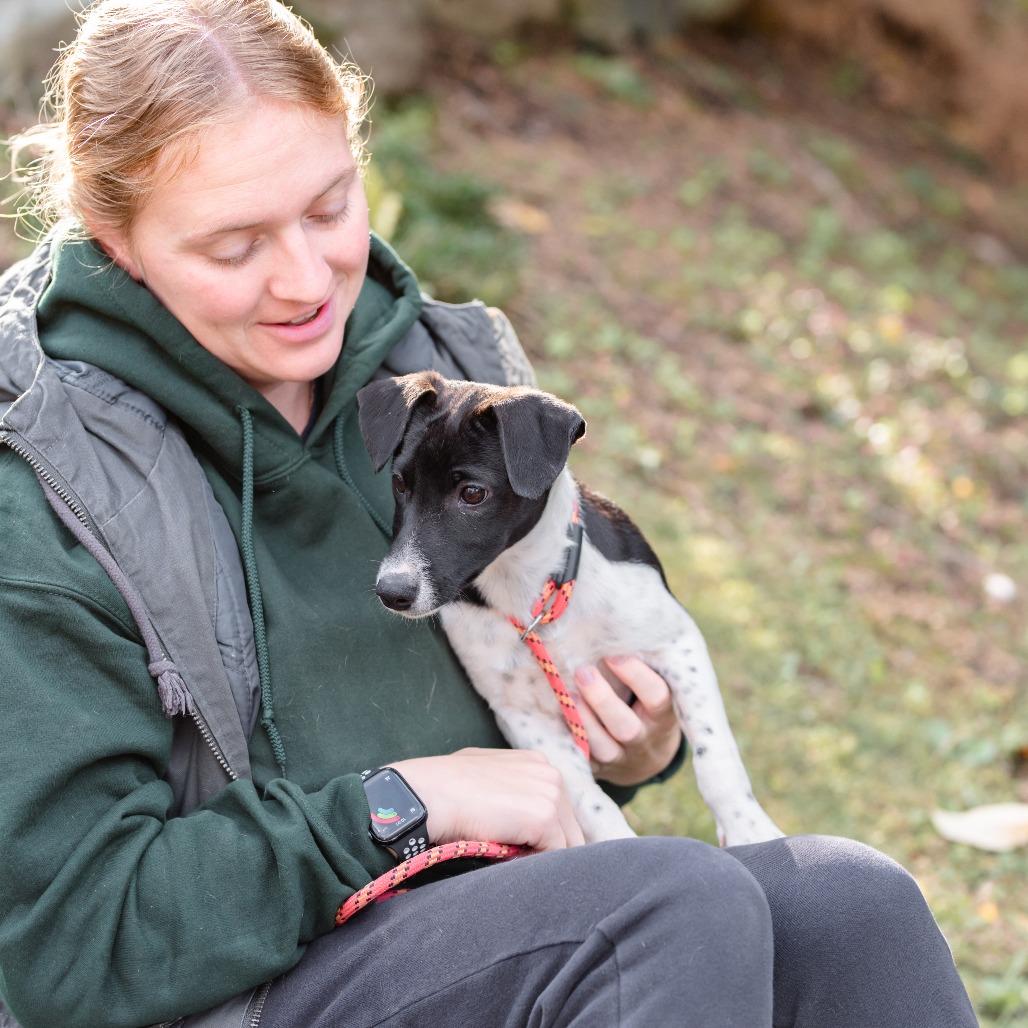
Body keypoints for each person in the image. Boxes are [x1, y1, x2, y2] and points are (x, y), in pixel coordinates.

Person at [0, 2, 979, 1027]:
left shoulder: (452, 381)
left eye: (330, 206)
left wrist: (624, 743)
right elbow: (74, 945)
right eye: (235, 244)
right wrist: (404, 804)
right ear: (119, 240)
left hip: (492, 922)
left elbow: (542, 721)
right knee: (666, 904)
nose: (302, 277)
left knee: (850, 903)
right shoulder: (48, 487)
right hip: (250, 990)